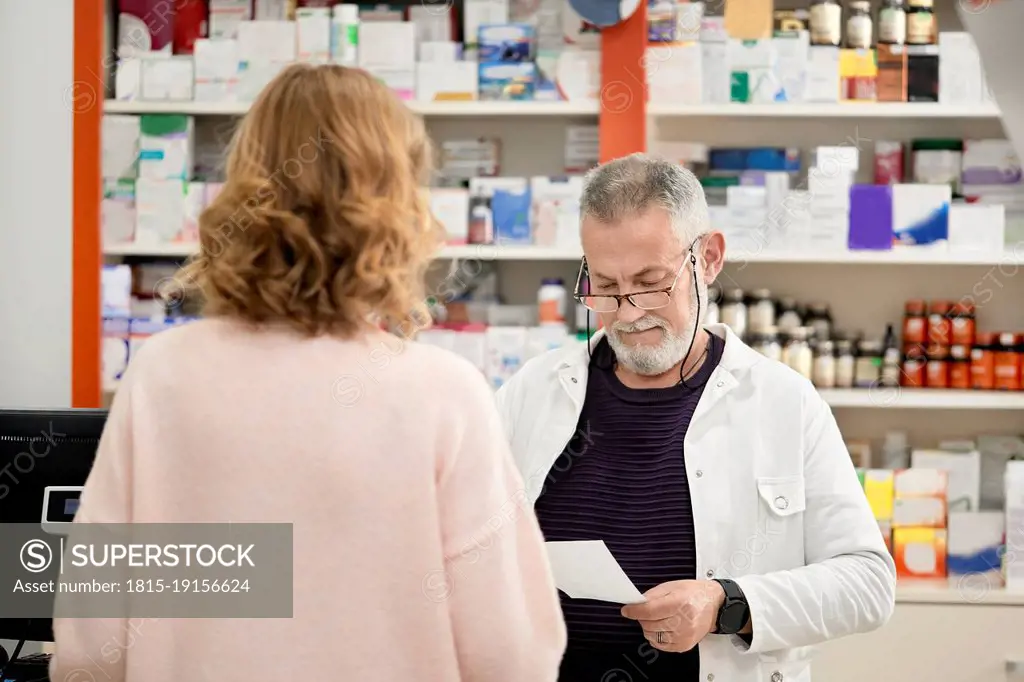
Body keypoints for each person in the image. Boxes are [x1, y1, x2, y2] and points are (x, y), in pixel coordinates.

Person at [50, 64, 566, 682]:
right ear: (399, 202)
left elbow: (90, 643)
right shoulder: (442, 394)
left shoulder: (163, 375)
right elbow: (511, 656)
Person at [495, 153, 896, 682]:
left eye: (651, 281)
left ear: (707, 259)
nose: (630, 312)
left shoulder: (783, 402)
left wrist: (727, 603)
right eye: (606, 288)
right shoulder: (532, 392)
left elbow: (867, 584)